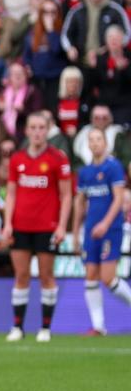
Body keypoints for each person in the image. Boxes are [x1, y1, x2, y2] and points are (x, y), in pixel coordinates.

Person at [2, 112, 72, 343]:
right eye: (33, 127)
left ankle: (45, 328)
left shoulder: (57, 159)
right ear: (27, 130)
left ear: (48, 129)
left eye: (42, 127)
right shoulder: (17, 159)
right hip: (21, 225)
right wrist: (8, 223)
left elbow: (66, 195)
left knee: (46, 276)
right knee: (21, 275)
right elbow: (11, 193)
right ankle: (17, 327)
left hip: (46, 226)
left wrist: (62, 226)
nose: (37, 132)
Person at [73, 128, 131, 336]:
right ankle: (98, 326)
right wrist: (76, 232)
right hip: (90, 230)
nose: (95, 143)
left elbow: (118, 199)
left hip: (110, 229)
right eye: (92, 140)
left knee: (108, 277)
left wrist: (106, 224)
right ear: (88, 144)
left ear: (105, 142)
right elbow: (79, 203)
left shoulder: (113, 167)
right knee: (90, 276)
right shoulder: (85, 172)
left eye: (99, 139)